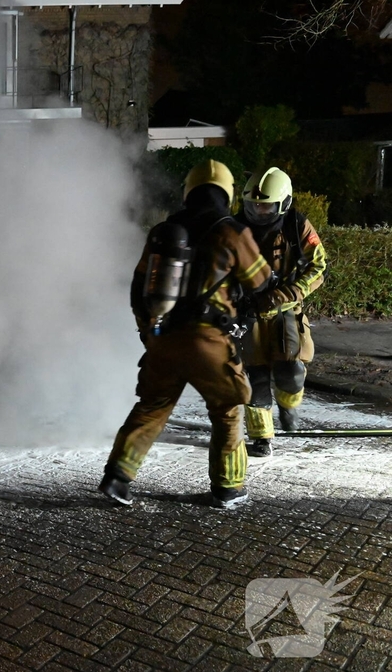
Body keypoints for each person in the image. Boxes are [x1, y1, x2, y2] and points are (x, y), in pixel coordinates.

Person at [99, 159, 272, 509]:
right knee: (227, 409)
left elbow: (138, 288)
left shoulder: (163, 231)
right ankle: (229, 488)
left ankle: (117, 478)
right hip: (210, 341)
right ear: (228, 192)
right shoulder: (232, 232)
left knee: (151, 407)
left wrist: (149, 333)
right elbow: (262, 280)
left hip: (164, 337)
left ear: (188, 192)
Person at [235, 167, 327, 457]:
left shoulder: (296, 226)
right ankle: (262, 437)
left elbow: (318, 266)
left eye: (266, 207)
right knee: (254, 376)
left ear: (283, 204)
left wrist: (288, 292)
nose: (259, 212)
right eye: (253, 206)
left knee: (291, 369)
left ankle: (289, 405)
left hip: (285, 309)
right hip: (248, 313)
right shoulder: (235, 227)